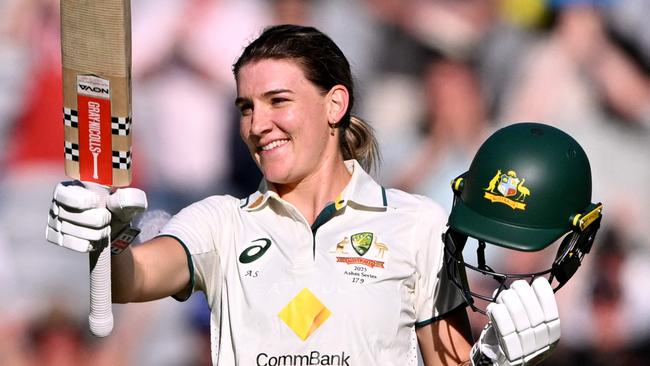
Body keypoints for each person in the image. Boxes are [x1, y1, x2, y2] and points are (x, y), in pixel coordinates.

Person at [46, 25, 560, 365]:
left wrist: (497, 360)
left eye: (278, 101)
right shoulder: (222, 221)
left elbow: (450, 362)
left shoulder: (418, 223)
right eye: (246, 107)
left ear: (335, 103)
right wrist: (103, 241)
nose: (258, 124)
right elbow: (129, 279)